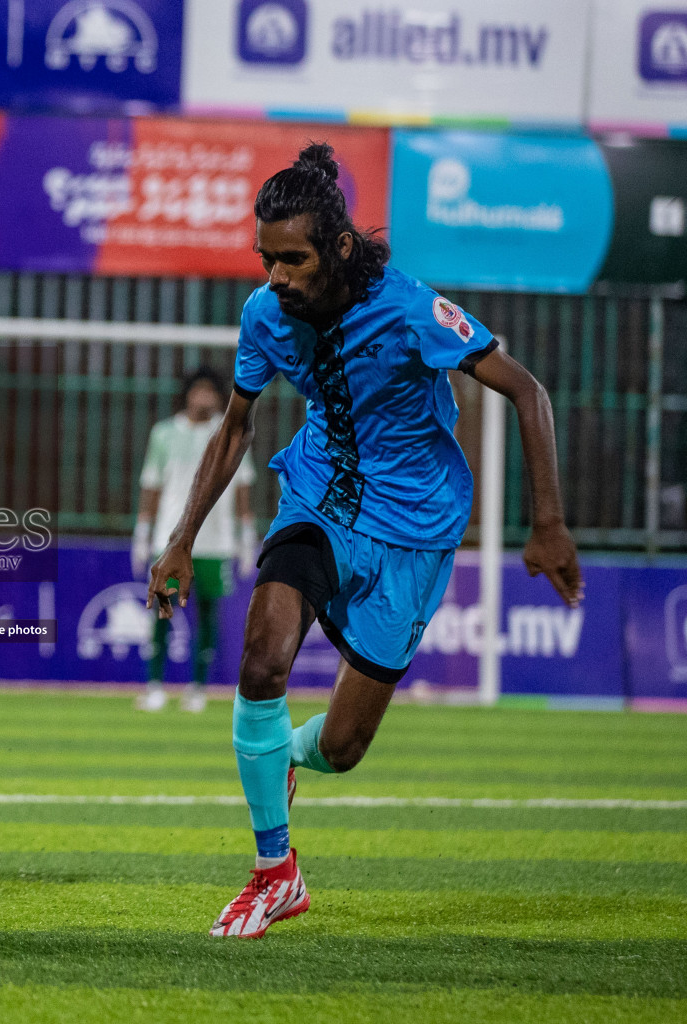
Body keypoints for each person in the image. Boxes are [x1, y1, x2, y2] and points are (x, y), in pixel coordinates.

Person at [146, 143, 582, 938]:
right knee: (261, 659)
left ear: (340, 250)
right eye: (266, 259)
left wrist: (547, 521)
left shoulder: (413, 309)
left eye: (294, 260)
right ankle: (275, 873)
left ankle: (286, 759)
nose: (276, 277)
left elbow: (527, 390)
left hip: (415, 531)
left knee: (343, 748)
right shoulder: (263, 316)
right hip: (317, 500)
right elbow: (237, 427)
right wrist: (181, 540)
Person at [132, 369, 256, 713]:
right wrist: (142, 533)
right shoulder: (165, 433)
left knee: (208, 615)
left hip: (215, 541)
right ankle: (155, 686)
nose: (203, 398)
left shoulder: (230, 433)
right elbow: (151, 485)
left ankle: (198, 688)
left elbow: (244, 486)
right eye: (197, 390)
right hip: (170, 539)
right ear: (187, 394)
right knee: (161, 610)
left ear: (219, 397)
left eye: (209, 391)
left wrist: (247, 536)